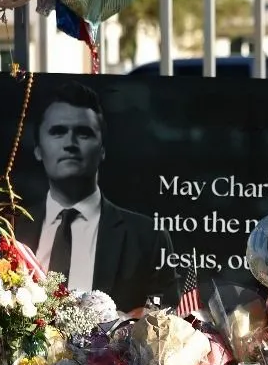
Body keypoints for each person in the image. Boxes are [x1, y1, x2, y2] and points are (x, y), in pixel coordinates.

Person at [14, 81, 180, 314]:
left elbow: (166, 315)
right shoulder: (11, 230)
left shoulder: (147, 239)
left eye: (84, 133)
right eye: (58, 131)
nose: (70, 144)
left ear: (102, 149)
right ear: (38, 148)